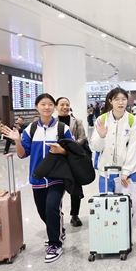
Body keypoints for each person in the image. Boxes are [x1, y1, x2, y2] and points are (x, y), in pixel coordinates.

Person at [1, 93, 74, 263]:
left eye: (50, 104)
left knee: (51, 208)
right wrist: (17, 141)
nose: (47, 107)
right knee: (43, 212)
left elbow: (72, 151)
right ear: (37, 107)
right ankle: (58, 229)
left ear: (54, 107)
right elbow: (22, 154)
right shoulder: (31, 129)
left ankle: (55, 243)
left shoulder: (62, 128)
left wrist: (60, 150)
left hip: (57, 177)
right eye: (43, 104)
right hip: (37, 179)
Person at [90, 88, 136, 195]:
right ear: (110, 101)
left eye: (123, 99)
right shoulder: (102, 119)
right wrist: (101, 136)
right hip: (106, 173)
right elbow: (95, 147)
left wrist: (126, 172)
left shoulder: (133, 121)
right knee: (107, 209)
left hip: (128, 173)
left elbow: (134, 148)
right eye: (117, 99)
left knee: (127, 207)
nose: (121, 102)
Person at [56, 97, 87, 227]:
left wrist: (70, 147)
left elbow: (82, 137)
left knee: (75, 188)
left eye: (67, 104)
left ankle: (75, 215)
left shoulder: (77, 121)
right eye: (62, 105)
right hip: (57, 160)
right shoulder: (53, 122)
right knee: (57, 188)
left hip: (73, 159)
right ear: (56, 107)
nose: (65, 107)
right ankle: (58, 214)